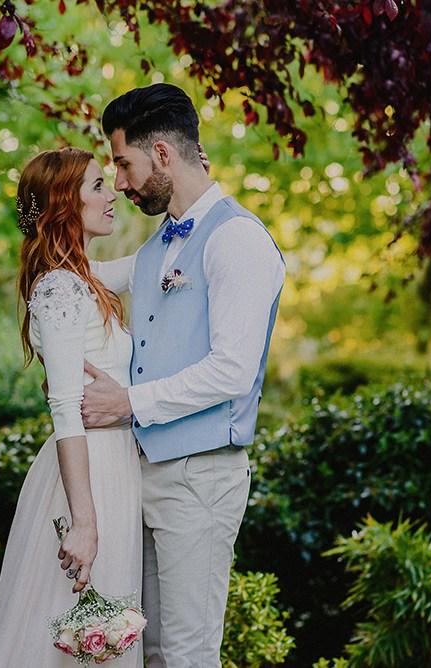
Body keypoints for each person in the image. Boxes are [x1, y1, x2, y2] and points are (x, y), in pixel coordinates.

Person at [82, 83, 286, 667]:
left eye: (123, 163)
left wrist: (126, 402)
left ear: (163, 156)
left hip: (200, 481)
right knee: (143, 652)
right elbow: (84, 278)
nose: (118, 181)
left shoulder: (238, 240)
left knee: (188, 656)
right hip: (142, 475)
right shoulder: (158, 249)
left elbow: (231, 372)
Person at [0, 147, 143, 667]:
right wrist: (85, 521)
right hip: (89, 479)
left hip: (113, 468)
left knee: (100, 639)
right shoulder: (60, 289)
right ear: (65, 204)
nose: (111, 192)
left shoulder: (84, 278)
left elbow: (152, 262)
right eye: (97, 186)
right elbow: (66, 408)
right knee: (77, 637)